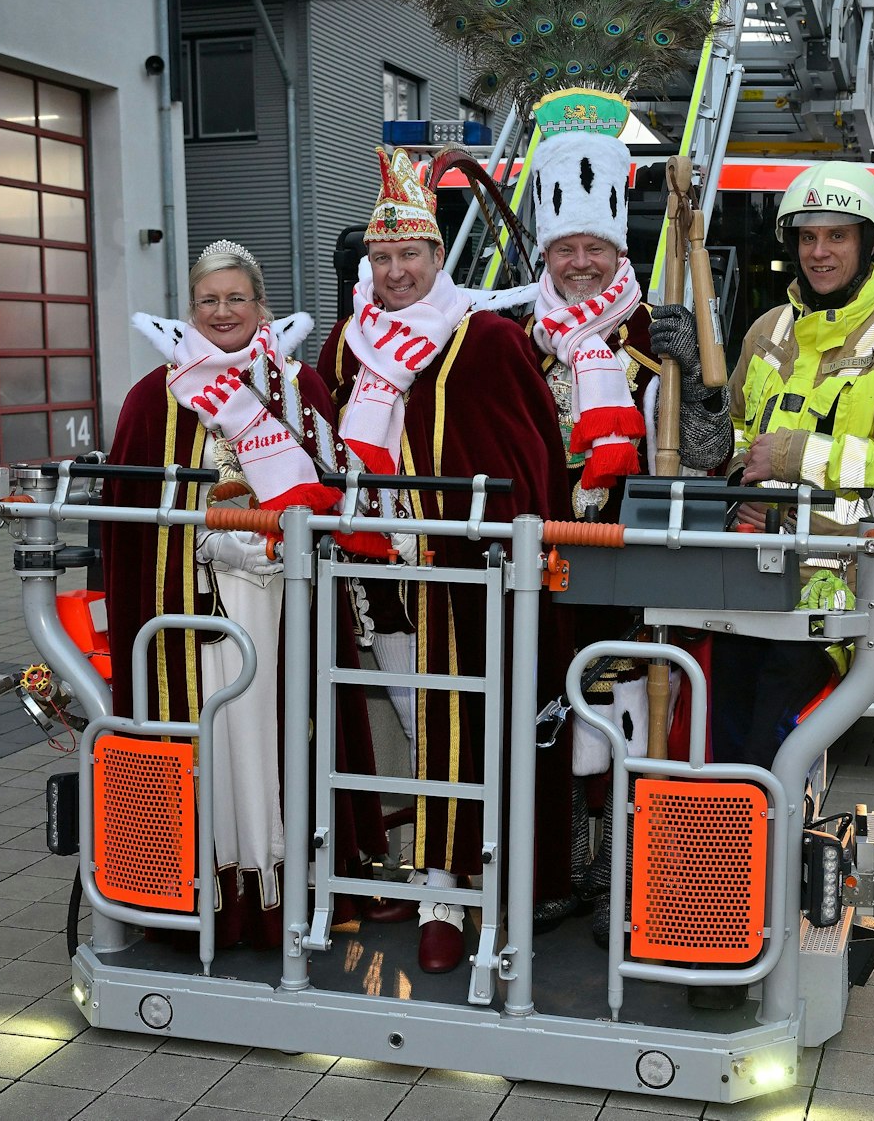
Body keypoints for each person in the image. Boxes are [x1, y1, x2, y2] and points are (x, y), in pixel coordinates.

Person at [316, 147, 573, 975]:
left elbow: (533, 462)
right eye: (381, 258)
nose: (394, 272)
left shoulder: (486, 338)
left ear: (437, 258)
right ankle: (432, 869)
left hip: (466, 582)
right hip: (375, 583)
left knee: (459, 729)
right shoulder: (347, 345)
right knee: (415, 728)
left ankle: (445, 893)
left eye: (409, 257)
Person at [103, 240, 385, 951]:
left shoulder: (299, 387)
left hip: (285, 606)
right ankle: (212, 900)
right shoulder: (152, 398)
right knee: (215, 749)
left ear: (260, 305)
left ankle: (303, 887)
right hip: (194, 614)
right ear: (189, 310)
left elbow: (332, 488)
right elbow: (130, 527)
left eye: (236, 298)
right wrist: (205, 540)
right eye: (208, 300)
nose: (222, 311)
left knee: (288, 736)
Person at [512, 88, 735, 943]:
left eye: (594, 247)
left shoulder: (657, 330)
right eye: (564, 247)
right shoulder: (511, 335)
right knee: (545, 717)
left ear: (617, 249)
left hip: (629, 562)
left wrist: (702, 385)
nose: (579, 263)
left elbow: (712, 454)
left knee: (630, 717)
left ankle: (620, 874)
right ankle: (558, 865)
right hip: (539, 564)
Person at [652, 161, 874, 770]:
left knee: (771, 753)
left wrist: (791, 457)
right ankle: (730, 861)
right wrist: (738, 476)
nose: (819, 252)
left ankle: (774, 859)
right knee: (719, 748)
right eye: (808, 237)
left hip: (836, 589)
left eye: (837, 236)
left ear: (870, 245)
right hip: (746, 576)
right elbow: (729, 441)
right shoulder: (767, 331)